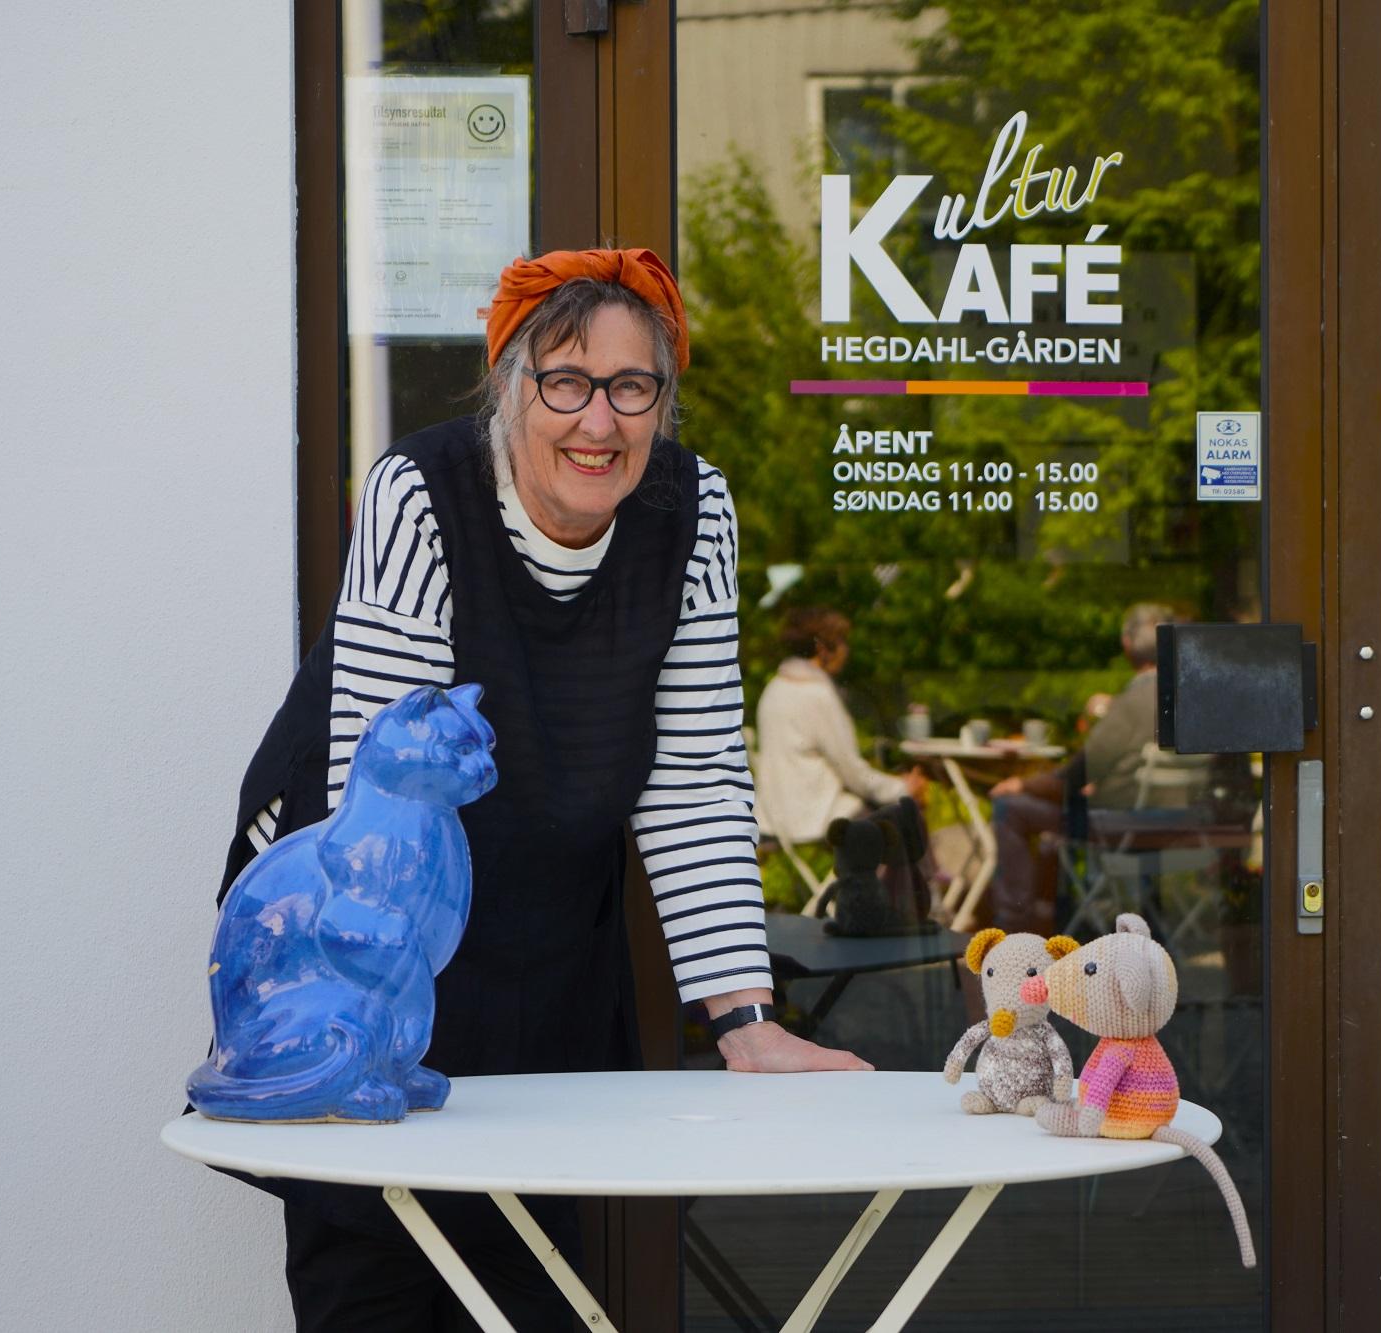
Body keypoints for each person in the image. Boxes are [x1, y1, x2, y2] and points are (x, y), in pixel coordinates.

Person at [216, 248, 867, 1330]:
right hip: (354, 917)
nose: (597, 421)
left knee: (528, 1268)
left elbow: (695, 777)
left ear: (663, 401)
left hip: (548, 921)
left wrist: (745, 1020)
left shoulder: (693, 509)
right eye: (565, 381)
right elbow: (382, 786)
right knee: (372, 1260)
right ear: (508, 389)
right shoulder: (421, 492)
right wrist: (362, 1036)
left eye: (631, 386)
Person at [985, 602, 1170, 933]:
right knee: (1055, 832)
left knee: (1010, 808)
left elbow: (1071, 780)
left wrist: (1022, 785)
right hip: (1182, 823)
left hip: (1123, 824)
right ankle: (1047, 916)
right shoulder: (1186, 699)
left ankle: (1014, 931)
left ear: (1127, 645)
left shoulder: (1130, 705)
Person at [753, 606, 928, 846]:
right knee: (907, 817)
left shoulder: (775, 688)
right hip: (815, 817)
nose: (846, 650)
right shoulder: (816, 694)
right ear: (822, 648)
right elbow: (853, 772)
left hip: (775, 818)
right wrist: (903, 788)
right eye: (842, 641)